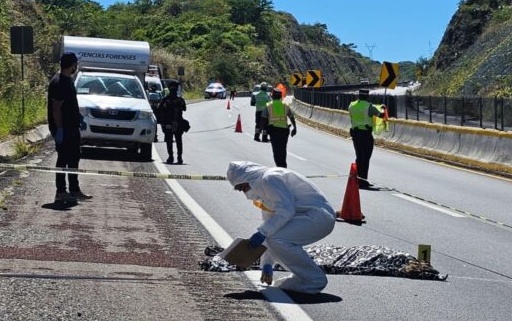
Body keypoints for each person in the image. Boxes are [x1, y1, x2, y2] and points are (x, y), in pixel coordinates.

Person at [226, 161, 336, 294]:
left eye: (244, 188)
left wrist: (261, 232)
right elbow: (270, 228)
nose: (246, 193)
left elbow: (286, 211)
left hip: (318, 217)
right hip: (309, 217)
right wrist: (267, 264)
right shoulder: (265, 191)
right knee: (275, 237)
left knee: (278, 239)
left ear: (249, 179)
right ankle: (302, 276)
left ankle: (314, 280)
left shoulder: (270, 178)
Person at [47, 52, 92, 203]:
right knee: (63, 159)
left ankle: (74, 190)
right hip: (64, 129)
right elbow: (56, 108)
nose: (76, 67)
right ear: (72, 65)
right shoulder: (59, 82)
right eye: (75, 64)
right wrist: (59, 129)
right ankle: (60, 192)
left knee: (74, 158)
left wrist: (77, 117)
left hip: (72, 128)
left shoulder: (68, 80)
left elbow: (69, 104)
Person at [348, 89, 386, 189]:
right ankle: (363, 181)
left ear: (358, 96)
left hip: (355, 134)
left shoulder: (352, 105)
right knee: (365, 158)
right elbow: (381, 115)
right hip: (365, 135)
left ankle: (357, 179)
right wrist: (383, 108)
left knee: (359, 157)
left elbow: (352, 117)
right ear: (367, 96)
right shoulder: (369, 107)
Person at [261, 88, 297, 168]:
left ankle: (280, 167)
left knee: (276, 151)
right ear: (280, 96)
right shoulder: (285, 105)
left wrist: (264, 130)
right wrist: (295, 128)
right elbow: (291, 117)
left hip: (274, 131)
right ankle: (283, 166)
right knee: (283, 150)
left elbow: (263, 118)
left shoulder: (268, 105)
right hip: (284, 131)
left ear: (272, 96)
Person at [157, 80, 187, 164]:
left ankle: (177, 157)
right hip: (169, 123)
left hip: (177, 122)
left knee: (175, 141)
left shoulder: (178, 100)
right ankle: (173, 156)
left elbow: (184, 108)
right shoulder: (166, 100)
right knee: (172, 140)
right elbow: (159, 110)